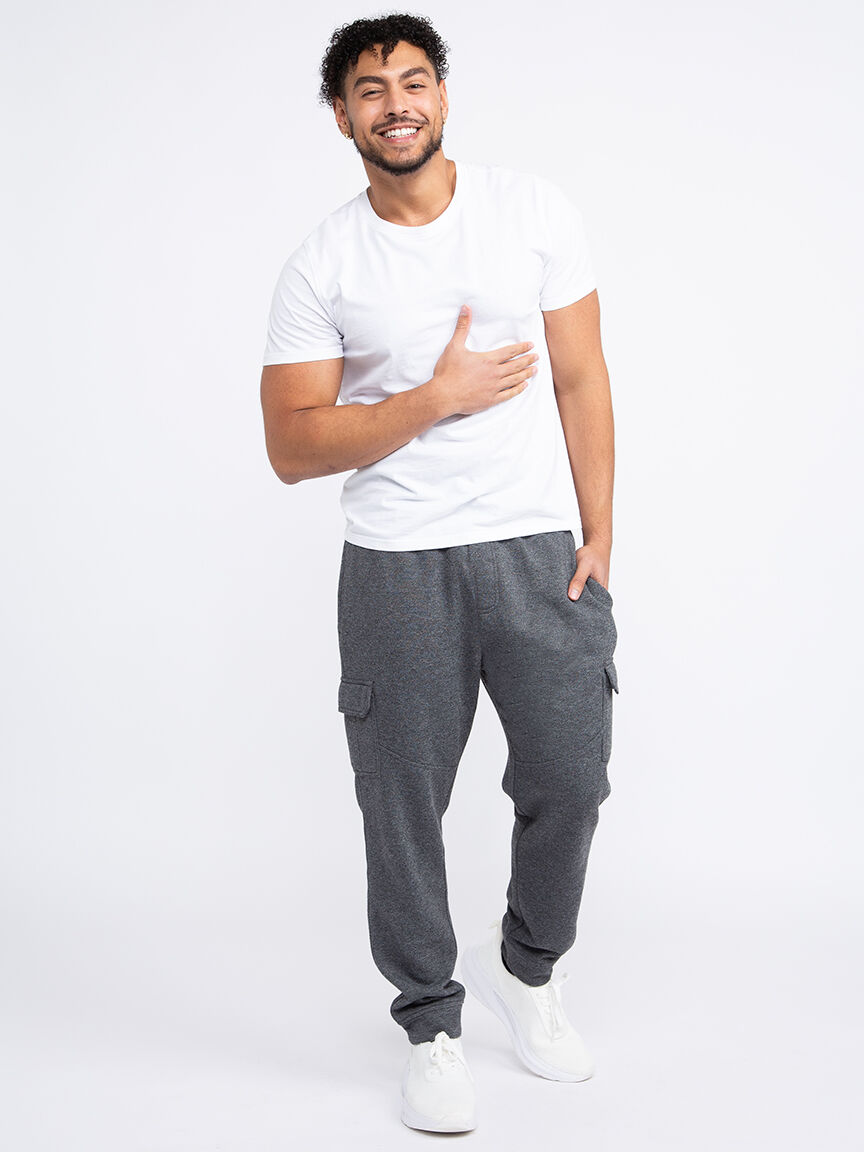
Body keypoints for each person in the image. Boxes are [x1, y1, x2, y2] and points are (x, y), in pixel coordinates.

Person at [259, 12, 619, 1134]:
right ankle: (430, 1023)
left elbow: (580, 377)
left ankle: (529, 969)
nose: (396, 104)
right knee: (402, 805)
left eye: (414, 82)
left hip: (536, 549)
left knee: (571, 778)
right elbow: (290, 447)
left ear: (444, 96)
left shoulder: (532, 212)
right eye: (370, 90)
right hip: (397, 567)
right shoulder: (322, 263)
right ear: (342, 117)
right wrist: (433, 399)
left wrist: (600, 532)